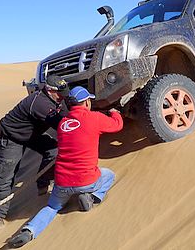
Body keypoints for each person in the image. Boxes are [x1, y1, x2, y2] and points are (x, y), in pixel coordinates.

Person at [7, 86, 123, 248]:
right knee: (108, 174)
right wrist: (115, 112)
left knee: (51, 208)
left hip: (61, 183)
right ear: (86, 102)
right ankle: (92, 197)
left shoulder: (63, 123)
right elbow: (117, 125)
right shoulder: (94, 118)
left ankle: (29, 231)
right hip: (86, 180)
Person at [0, 75, 69, 229]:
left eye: (64, 93)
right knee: (7, 174)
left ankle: (43, 184)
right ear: (49, 90)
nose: (62, 97)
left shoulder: (59, 99)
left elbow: (66, 117)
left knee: (53, 150)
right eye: (59, 94)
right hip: (11, 137)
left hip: (30, 134)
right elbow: (62, 125)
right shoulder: (39, 103)